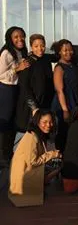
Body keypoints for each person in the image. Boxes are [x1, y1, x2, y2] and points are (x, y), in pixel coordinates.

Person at [8, 110, 61, 207]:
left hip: (24, 171)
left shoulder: (36, 134)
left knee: (54, 164)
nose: (48, 125)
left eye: (50, 122)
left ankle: (39, 187)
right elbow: (33, 162)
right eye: (44, 122)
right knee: (58, 166)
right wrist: (52, 154)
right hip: (23, 177)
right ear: (37, 122)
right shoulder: (32, 137)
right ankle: (35, 189)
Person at [0, 27, 29, 168]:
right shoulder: (6, 53)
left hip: (16, 89)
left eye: (22, 36)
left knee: (13, 123)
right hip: (6, 90)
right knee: (4, 124)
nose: (20, 39)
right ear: (10, 39)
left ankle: (9, 153)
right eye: (16, 37)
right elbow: (1, 75)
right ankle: (2, 156)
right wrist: (17, 69)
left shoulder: (21, 52)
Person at [15, 34, 55, 133]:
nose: (40, 49)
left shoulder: (46, 59)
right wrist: (34, 107)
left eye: (42, 45)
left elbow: (58, 55)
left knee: (43, 133)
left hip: (45, 103)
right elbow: (24, 87)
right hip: (31, 106)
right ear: (31, 47)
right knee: (30, 134)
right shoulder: (27, 62)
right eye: (36, 46)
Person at [51, 39, 78, 152]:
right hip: (63, 104)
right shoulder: (59, 68)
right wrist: (65, 110)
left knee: (73, 133)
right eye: (65, 50)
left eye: (70, 50)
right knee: (63, 133)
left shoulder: (73, 66)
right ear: (59, 52)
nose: (68, 52)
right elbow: (59, 90)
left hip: (74, 101)